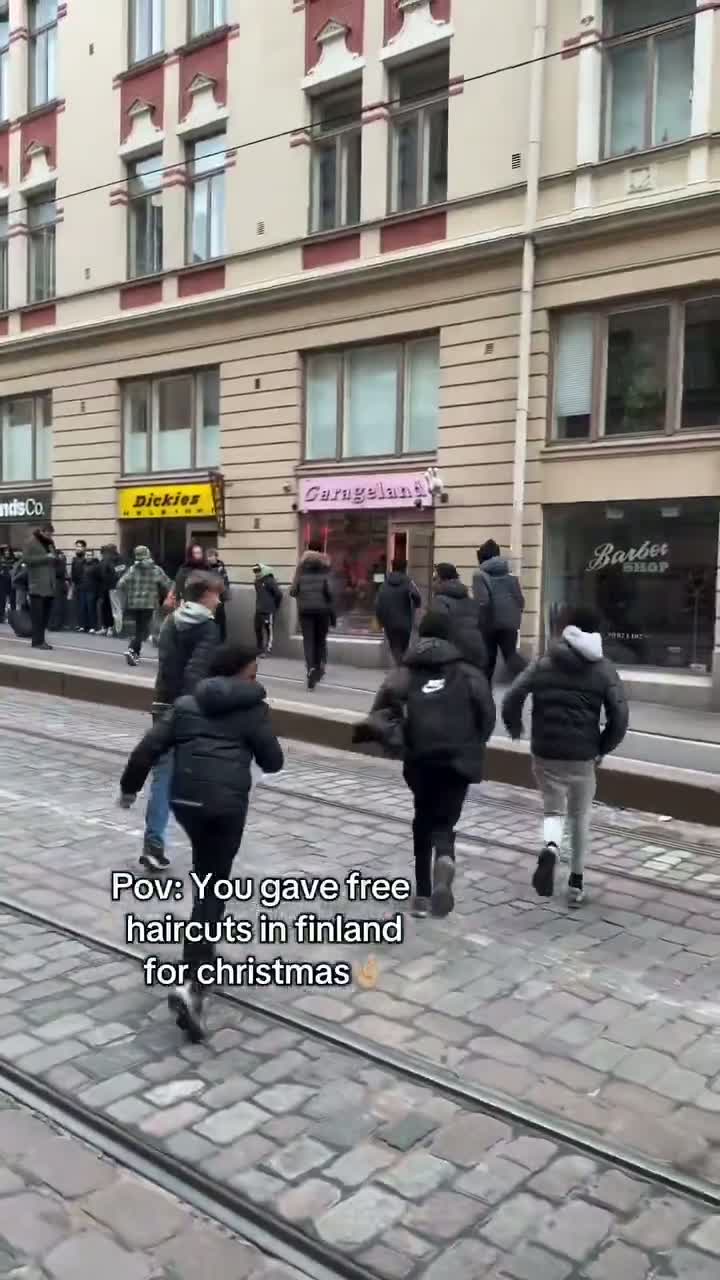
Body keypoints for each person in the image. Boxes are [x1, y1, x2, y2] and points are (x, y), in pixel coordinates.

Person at [119, 643, 284, 1041]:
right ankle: (192, 984)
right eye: (253, 670)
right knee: (212, 889)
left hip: (187, 804)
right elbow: (274, 761)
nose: (256, 676)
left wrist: (128, 789)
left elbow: (148, 748)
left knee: (206, 877)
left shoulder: (185, 704)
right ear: (243, 673)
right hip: (226, 808)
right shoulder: (254, 709)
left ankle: (202, 960)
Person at [364, 610, 496, 919]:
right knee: (445, 820)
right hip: (458, 760)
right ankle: (445, 855)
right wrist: (472, 744)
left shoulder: (404, 672)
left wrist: (399, 742)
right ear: (450, 637)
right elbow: (487, 716)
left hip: (420, 759)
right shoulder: (469, 673)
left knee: (423, 817)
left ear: (421, 635)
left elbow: (377, 716)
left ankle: (422, 894)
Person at [502, 606, 629, 907]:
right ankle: (575, 883)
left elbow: (513, 695)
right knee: (580, 815)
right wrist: (601, 747)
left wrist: (516, 726)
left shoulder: (545, 661)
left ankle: (551, 848)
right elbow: (620, 716)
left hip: (545, 751)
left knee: (554, 811)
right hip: (583, 755)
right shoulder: (603, 668)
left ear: (567, 630)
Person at [141, 570, 223, 872]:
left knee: (164, 776)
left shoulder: (172, 620)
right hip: (187, 709)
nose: (219, 600)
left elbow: (161, 655)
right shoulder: (207, 628)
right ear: (206, 595)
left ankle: (154, 844)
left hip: (162, 702)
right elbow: (195, 673)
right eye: (217, 594)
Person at [473, 539, 526, 682]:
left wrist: (477, 621)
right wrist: (513, 615)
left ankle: (484, 690)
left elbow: (483, 601)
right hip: (510, 622)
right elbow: (521, 601)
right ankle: (530, 678)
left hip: (489, 622)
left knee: (488, 659)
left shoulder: (479, 575)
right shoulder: (511, 577)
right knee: (510, 655)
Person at [290, 540, 335, 689]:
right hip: (322, 611)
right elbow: (329, 593)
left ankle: (310, 668)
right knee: (320, 640)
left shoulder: (301, 570)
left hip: (305, 611)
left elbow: (293, 591)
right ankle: (320, 666)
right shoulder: (325, 569)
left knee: (308, 641)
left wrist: (302, 592)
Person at [118, 546, 172, 666]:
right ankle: (132, 649)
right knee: (143, 631)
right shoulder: (155, 569)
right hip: (149, 604)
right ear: (148, 554)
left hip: (134, 604)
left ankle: (134, 654)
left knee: (139, 629)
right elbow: (167, 584)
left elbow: (120, 584)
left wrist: (131, 591)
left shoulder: (132, 569)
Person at [432, 562, 487, 671]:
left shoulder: (440, 601)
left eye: (434, 578)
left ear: (441, 580)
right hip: (478, 652)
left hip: (455, 656)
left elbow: (436, 631)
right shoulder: (469, 600)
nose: (432, 582)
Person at [375, 558, 421, 664]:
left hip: (389, 623)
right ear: (405, 568)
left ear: (393, 567)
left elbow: (378, 604)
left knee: (395, 647)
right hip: (405, 622)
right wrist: (416, 605)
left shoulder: (385, 584)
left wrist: (380, 620)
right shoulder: (408, 582)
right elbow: (417, 597)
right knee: (403, 648)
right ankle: (401, 666)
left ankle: (399, 665)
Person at [24, 522, 57, 649]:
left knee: (45, 616)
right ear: (42, 531)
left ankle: (41, 640)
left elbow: (52, 558)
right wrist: (45, 557)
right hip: (37, 585)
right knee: (38, 616)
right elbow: (26, 560)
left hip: (49, 585)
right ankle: (37, 642)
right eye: (48, 534)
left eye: (51, 534)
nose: (50, 536)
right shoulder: (31, 542)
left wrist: (55, 557)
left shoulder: (50, 543)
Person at [252, 563, 283, 655]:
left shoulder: (270, 580)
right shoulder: (257, 582)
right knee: (257, 629)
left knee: (269, 630)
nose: (256, 573)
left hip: (268, 611)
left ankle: (267, 650)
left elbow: (279, 594)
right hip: (259, 610)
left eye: (258, 571)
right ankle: (259, 649)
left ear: (263, 571)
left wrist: (275, 606)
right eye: (255, 571)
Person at [207, 548, 230, 642]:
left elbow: (226, 582)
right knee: (210, 619)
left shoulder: (221, 568)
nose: (209, 558)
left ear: (216, 557)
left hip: (219, 597)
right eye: (208, 556)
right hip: (208, 598)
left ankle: (222, 639)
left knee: (220, 618)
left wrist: (224, 595)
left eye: (211, 556)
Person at [0, 546, 13, 622]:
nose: (7, 552)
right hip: (2, 582)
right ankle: (1, 616)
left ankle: (9, 616)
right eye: (5, 551)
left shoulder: (12, 560)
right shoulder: (1, 560)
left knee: (10, 600)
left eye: (8, 551)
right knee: (2, 599)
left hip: (11, 582)